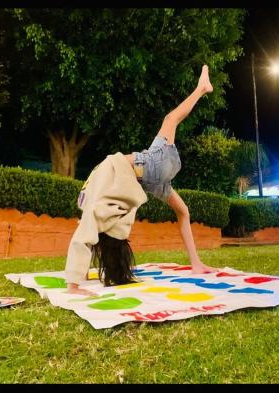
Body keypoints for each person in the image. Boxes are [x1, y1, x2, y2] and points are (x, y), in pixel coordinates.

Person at [65, 65, 218, 296]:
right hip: (150, 168)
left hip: (150, 181)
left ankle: (197, 263)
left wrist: (81, 274)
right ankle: (201, 88)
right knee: (171, 118)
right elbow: (82, 237)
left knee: (183, 211)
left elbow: (86, 238)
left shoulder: (102, 216)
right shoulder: (93, 209)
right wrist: (72, 285)